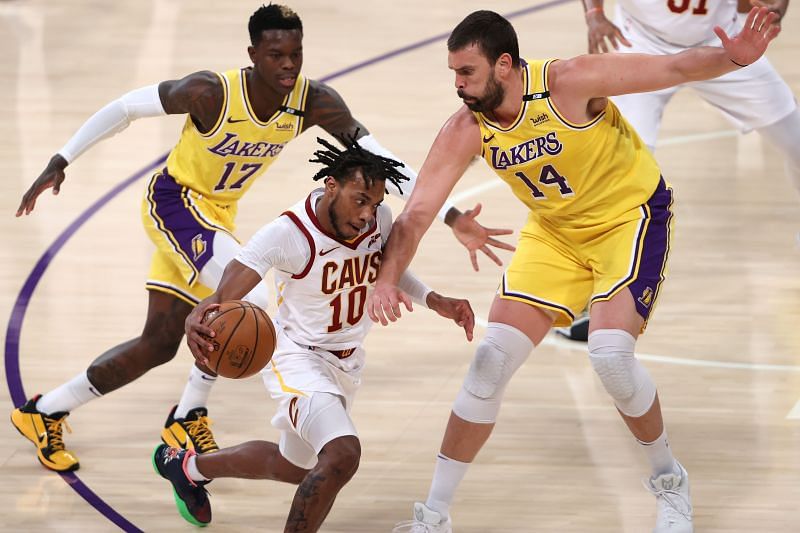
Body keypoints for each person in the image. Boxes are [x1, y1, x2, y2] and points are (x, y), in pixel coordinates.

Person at [9, 4, 512, 473]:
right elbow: (125, 108)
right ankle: (188, 414)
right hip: (176, 204)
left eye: (295, 54)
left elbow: (379, 161)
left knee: (161, 341)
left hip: (217, 215)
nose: (288, 66)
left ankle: (46, 410)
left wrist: (448, 215)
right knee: (254, 298)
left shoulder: (312, 100)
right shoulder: (211, 92)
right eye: (275, 56)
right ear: (253, 56)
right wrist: (61, 159)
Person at [368, 8, 780, 533]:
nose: (458, 86)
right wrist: (386, 278)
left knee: (610, 358)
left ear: (503, 66)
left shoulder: (569, 81)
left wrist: (732, 57)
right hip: (556, 233)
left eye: (466, 73)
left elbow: (673, 68)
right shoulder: (466, 128)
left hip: (628, 219)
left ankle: (671, 483)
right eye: (454, 74)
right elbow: (416, 213)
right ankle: (434, 517)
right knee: (489, 363)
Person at [152, 135, 475, 531]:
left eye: (375, 204)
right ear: (331, 186)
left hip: (346, 363)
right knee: (342, 455)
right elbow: (222, 296)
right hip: (296, 359)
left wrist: (434, 299)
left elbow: (386, 267)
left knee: (291, 467)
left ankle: (187, 468)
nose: (367, 214)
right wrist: (198, 317)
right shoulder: (287, 233)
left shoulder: (378, 222)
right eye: (360, 200)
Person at [558, 0, 796, 342]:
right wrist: (594, 15)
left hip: (722, 42)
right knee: (618, 179)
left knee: (797, 141)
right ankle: (583, 300)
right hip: (640, 43)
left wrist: (775, 7)